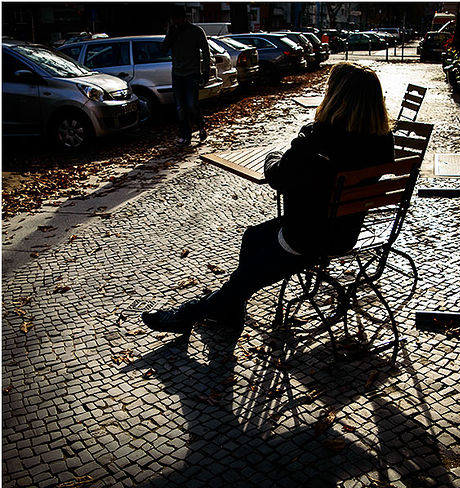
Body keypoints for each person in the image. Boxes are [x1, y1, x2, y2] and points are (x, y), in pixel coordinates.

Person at [142, 62, 394, 336]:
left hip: (306, 237)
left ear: (335, 97)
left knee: (246, 278)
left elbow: (278, 177)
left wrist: (274, 155)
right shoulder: (382, 141)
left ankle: (188, 314)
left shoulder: (318, 139)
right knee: (253, 237)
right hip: (345, 232)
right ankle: (230, 312)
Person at [162, 5, 211, 146]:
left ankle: (200, 125)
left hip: (191, 73)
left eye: (177, 18)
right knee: (180, 107)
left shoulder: (196, 31)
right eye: (173, 19)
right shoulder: (173, 32)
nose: (175, 21)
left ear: (183, 18)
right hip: (177, 74)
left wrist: (205, 71)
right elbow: (163, 49)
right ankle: (185, 135)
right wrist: (170, 34)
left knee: (191, 105)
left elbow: (206, 52)